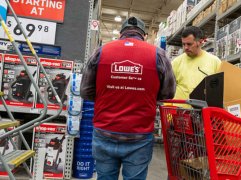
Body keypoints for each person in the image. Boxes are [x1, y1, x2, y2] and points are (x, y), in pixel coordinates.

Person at [80, 16, 175, 180]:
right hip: (139, 135)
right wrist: (144, 94)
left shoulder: (100, 52)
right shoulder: (159, 55)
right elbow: (168, 93)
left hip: (104, 131)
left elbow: (86, 91)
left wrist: (109, 96)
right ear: (143, 35)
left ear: (121, 34)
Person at [171, 26, 221, 100]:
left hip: (203, 110)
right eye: (183, 44)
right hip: (179, 109)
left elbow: (220, 89)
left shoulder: (215, 62)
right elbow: (168, 89)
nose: (185, 48)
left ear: (200, 42)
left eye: (189, 44)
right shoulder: (176, 62)